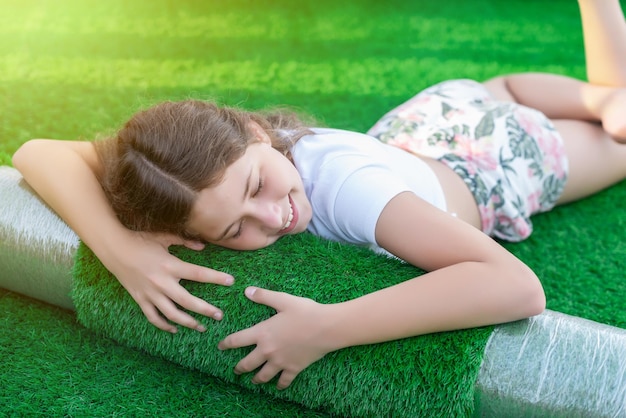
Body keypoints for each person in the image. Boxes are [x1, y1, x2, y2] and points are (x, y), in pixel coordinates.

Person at [11, 0, 626, 390]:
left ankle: (601, 82)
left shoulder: (352, 194)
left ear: (256, 132)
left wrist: (330, 327)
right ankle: (598, 96)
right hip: (416, 132)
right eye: (234, 231)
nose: (272, 216)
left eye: (255, 186)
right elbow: (37, 152)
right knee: (501, 87)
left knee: (616, 127)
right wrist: (122, 250)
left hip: (493, 162)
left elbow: (515, 287)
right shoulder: (199, 163)